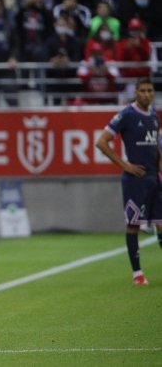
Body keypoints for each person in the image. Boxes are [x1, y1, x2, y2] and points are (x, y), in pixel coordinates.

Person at [95, 78, 162, 286]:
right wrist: (125, 165)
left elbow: (156, 145)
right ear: (136, 93)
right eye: (142, 91)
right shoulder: (126, 115)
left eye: (150, 90)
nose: (146, 94)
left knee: (161, 224)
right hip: (135, 179)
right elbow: (101, 142)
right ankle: (137, 274)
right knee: (133, 225)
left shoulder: (153, 115)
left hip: (154, 178)